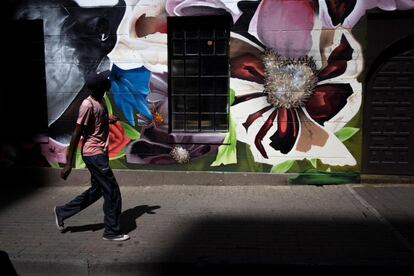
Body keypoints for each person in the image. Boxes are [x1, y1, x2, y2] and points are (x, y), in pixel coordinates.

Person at [54, 71, 129, 241]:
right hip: (94, 155)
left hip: (99, 154)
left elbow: (97, 118)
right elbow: (76, 133)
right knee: (112, 191)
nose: (108, 81)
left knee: (97, 191)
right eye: (105, 80)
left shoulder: (99, 100)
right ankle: (111, 231)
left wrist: (108, 118)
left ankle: (62, 212)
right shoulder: (87, 105)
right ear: (100, 87)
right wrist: (68, 164)